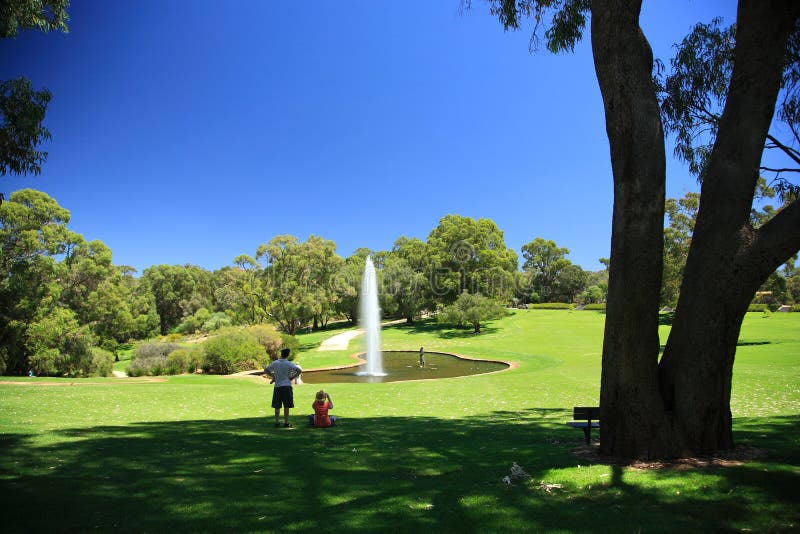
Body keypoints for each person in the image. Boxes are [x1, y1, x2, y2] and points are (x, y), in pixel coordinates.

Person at [264, 348, 302, 428]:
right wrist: (292, 377)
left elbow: (266, 370)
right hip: (287, 386)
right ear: (288, 355)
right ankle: (286, 422)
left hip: (277, 386)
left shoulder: (275, 363)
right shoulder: (289, 363)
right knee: (286, 406)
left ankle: (277, 422)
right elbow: (299, 370)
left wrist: (273, 376)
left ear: (281, 354)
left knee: (277, 405)